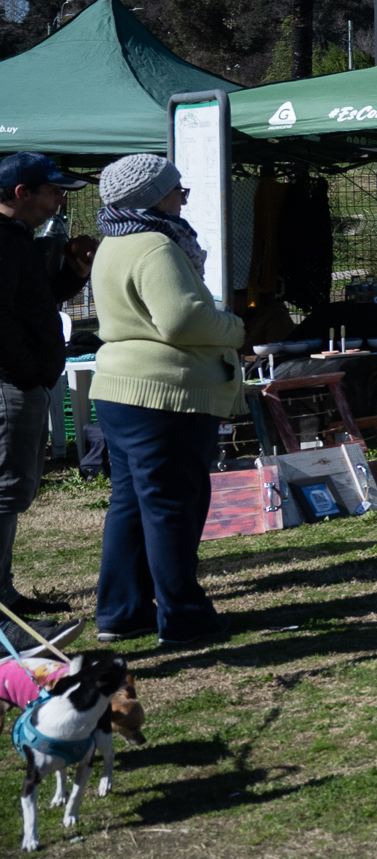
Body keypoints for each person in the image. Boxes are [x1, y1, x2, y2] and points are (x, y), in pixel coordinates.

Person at [86, 154, 241, 645]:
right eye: (178, 190)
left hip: (122, 390)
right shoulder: (155, 244)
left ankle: (121, 611)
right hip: (164, 395)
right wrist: (234, 328)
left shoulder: (115, 241)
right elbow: (182, 320)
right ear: (153, 196)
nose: (182, 198)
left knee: (132, 504)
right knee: (173, 506)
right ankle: (183, 618)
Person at [0, 152, 92, 614]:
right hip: (10, 384)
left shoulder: (19, 238)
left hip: (22, 380)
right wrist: (27, 373)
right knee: (5, 489)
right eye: (54, 191)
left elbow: (35, 303)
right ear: (23, 193)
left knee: (13, 489)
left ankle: (5, 593)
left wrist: (73, 274)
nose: (60, 200)